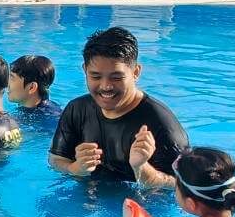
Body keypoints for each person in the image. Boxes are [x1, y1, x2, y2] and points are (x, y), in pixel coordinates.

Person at [49, 26, 188, 185]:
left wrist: (142, 168)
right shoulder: (77, 109)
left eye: (116, 77)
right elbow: (56, 160)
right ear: (85, 70)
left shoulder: (163, 125)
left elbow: (183, 186)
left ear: (135, 72)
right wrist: (75, 168)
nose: (105, 86)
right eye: (96, 76)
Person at [8, 54, 63, 125]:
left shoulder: (51, 120)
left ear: (32, 87)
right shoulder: (26, 108)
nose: (7, 83)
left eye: (12, 78)